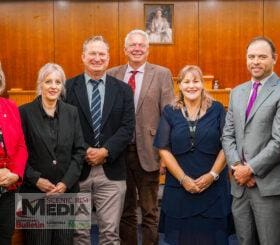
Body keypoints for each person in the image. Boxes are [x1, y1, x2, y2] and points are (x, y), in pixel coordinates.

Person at [222, 36, 280, 245]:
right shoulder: (237, 92)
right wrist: (238, 167)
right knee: (245, 241)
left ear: (275, 58)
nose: (255, 61)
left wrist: (251, 169)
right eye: (251, 56)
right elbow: (228, 134)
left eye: (262, 57)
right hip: (240, 187)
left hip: (269, 188)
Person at [65, 35, 135, 245]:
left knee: (110, 234)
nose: (97, 58)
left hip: (111, 170)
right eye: (92, 53)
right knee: (79, 234)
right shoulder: (68, 88)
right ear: (83, 57)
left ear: (109, 58)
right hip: (77, 170)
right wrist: (85, 150)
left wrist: (105, 151)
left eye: (101, 54)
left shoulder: (122, 89)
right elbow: (64, 127)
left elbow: (127, 127)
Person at [107, 29, 174, 245]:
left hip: (150, 151)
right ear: (125, 49)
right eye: (132, 45)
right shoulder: (111, 74)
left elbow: (168, 115)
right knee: (125, 211)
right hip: (118, 153)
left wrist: (165, 154)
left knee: (150, 211)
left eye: (141, 45)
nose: (137, 49)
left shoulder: (162, 73)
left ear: (148, 49)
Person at [153, 65, 231, 245]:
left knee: (212, 239)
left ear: (203, 84)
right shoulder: (169, 111)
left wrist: (212, 175)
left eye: (196, 81)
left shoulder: (218, 109)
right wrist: (183, 179)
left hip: (213, 188)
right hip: (180, 188)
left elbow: (227, 144)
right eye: (186, 81)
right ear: (179, 85)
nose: (191, 86)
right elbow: (163, 148)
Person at [19, 63, 85, 245]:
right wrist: (36, 179)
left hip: (65, 192)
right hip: (34, 193)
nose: (53, 86)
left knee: (64, 242)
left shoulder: (72, 112)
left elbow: (79, 151)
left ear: (62, 86)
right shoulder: (24, 112)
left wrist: (65, 183)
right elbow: (18, 153)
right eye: (48, 81)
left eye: (58, 82)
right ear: (40, 84)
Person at [0, 62, 28, 245]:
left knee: (5, 235)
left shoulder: (10, 107)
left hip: (8, 187)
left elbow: (21, 146)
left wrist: (15, 173)